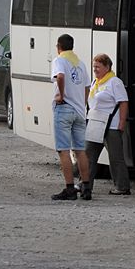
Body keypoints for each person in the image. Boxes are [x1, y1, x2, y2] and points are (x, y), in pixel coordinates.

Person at [50, 34, 91, 201]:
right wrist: (83, 102)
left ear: (59, 46)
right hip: (80, 111)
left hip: (65, 108)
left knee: (64, 150)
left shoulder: (59, 60)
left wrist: (60, 94)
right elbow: (88, 86)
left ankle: (69, 188)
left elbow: (60, 76)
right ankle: (86, 187)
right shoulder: (80, 64)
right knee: (80, 150)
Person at [84, 54, 131, 196]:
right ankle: (85, 184)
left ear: (107, 67)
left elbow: (123, 102)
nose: (95, 70)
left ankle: (122, 186)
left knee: (115, 157)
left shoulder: (114, 82)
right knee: (88, 155)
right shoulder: (96, 82)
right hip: (95, 122)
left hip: (111, 125)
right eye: (94, 67)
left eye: (98, 67)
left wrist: (122, 123)